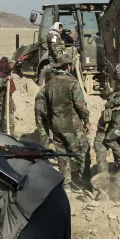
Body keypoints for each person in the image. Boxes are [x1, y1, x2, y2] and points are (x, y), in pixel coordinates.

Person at [38, 57, 90, 192]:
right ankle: (84, 184)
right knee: (82, 152)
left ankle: (65, 186)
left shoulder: (49, 84)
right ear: (68, 67)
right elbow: (80, 105)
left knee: (62, 155)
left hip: (56, 126)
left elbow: (44, 108)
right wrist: (87, 120)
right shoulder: (72, 82)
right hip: (72, 126)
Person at [0, 57, 16, 136]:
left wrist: (13, 103)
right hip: (2, 102)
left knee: (11, 119)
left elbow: (9, 92)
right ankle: (6, 136)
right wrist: (4, 80)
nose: (11, 67)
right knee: (4, 120)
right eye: (10, 65)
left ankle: (12, 135)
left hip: (8, 100)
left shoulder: (7, 73)